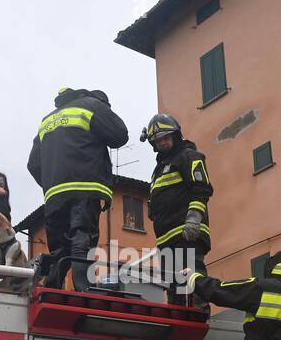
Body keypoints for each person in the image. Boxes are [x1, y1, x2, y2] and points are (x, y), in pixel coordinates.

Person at [27, 87, 128, 291]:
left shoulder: (47, 120)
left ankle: (53, 288)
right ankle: (84, 287)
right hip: (85, 187)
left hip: (54, 196)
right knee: (82, 235)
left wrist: (51, 183)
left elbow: (33, 164)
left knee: (59, 249)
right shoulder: (92, 105)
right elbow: (120, 135)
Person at [140, 114, 213, 305]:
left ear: (175, 136)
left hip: (187, 231)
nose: (162, 143)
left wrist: (193, 219)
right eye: (157, 140)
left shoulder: (188, 157)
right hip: (166, 238)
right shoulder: (159, 169)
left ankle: (199, 315)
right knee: (174, 286)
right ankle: (178, 320)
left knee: (192, 277)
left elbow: (201, 188)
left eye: (165, 138)